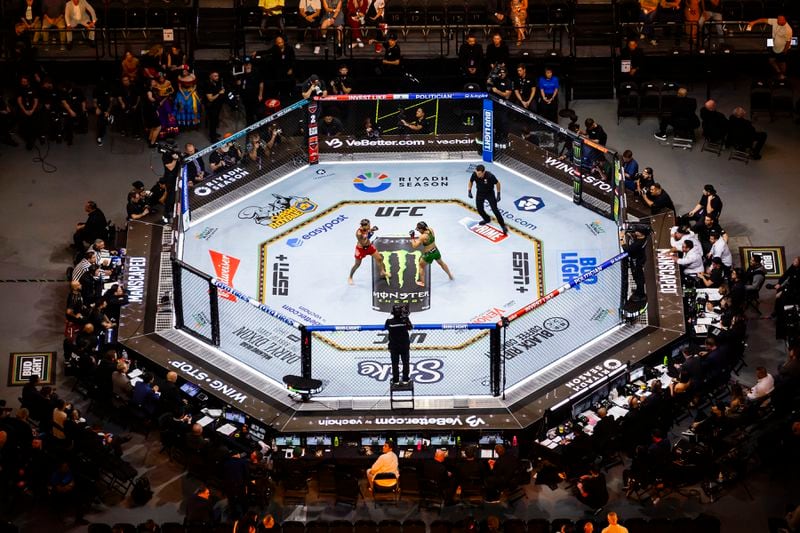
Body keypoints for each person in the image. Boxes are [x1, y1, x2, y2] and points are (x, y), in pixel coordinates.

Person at [409, 221, 454, 287]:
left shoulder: (422, 237)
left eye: (418, 229)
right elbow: (427, 239)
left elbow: (414, 246)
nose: (418, 231)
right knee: (442, 263)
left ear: (422, 229)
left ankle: (422, 282)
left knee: (421, 266)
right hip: (436, 251)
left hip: (428, 255)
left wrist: (412, 237)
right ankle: (450, 276)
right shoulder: (431, 229)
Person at [747, 15, 793, 79]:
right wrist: (753, 22)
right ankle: (778, 72)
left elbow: (788, 42)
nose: (778, 21)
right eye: (778, 19)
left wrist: (784, 51)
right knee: (771, 60)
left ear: (784, 20)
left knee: (782, 62)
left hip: (782, 49)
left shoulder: (788, 29)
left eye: (780, 20)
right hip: (774, 46)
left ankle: (783, 75)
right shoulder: (775, 21)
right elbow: (763, 20)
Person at [468, 164, 508, 235]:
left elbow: (497, 183)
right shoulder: (474, 174)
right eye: (477, 173)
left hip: (489, 193)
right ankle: (487, 219)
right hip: (480, 193)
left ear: (483, 172)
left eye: (479, 174)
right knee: (479, 209)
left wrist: (498, 194)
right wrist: (469, 191)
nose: (478, 175)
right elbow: (471, 181)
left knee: (495, 210)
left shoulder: (490, 176)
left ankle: (503, 225)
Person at [348, 218, 389, 285]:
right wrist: (369, 235)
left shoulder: (366, 228)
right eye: (368, 225)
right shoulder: (358, 233)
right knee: (357, 264)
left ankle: (382, 272)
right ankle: (350, 277)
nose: (369, 226)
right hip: (361, 249)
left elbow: (368, 231)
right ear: (363, 226)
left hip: (369, 247)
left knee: (379, 259)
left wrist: (373, 229)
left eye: (370, 225)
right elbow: (363, 243)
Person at [385, 304, 412, 385]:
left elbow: (386, 327)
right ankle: (405, 380)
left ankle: (396, 380)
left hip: (393, 346)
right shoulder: (405, 321)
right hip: (404, 346)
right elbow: (410, 327)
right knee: (405, 363)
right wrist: (406, 317)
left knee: (394, 364)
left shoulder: (389, 322)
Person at [620, 227, 648, 300]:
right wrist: (630, 235)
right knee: (638, 276)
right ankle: (639, 291)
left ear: (642, 234)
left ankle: (640, 295)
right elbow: (635, 238)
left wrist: (621, 238)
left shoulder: (638, 243)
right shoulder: (643, 238)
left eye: (637, 231)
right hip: (640, 258)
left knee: (638, 277)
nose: (636, 232)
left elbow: (626, 249)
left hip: (637, 261)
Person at [204, 71, 226, 142]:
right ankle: (212, 138)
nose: (217, 77)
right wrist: (219, 93)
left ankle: (213, 133)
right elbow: (210, 99)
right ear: (210, 76)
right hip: (211, 107)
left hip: (217, 106)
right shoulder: (208, 85)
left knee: (215, 121)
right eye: (215, 76)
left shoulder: (215, 83)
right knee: (212, 122)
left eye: (217, 76)